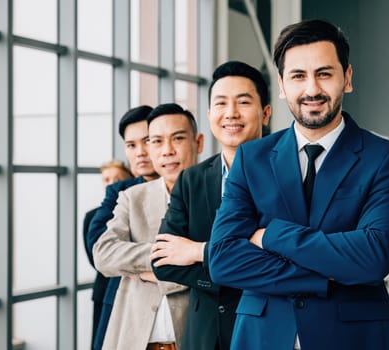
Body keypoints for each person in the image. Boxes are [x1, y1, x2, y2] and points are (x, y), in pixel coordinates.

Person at [208, 19, 389, 349]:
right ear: (281, 84)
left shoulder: (386, 159)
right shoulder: (251, 158)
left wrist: (270, 234)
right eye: (298, 76)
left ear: (346, 78)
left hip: (355, 337)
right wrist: (326, 273)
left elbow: (373, 257)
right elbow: (223, 260)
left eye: (324, 73)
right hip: (263, 336)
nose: (312, 89)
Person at [149, 61, 271, 350]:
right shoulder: (192, 179)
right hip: (203, 334)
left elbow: (282, 256)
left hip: (266, 327)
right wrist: (234, 270)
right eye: (221, 103)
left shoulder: (287, 172)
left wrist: (196, 252)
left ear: (265, 112)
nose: (231, 113)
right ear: (209, 114)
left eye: (243, 102)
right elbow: (162, 261)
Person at [93, 103, 204, 350]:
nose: (167, 151)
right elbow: (103, 254)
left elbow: (220, 267)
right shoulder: (132, 197)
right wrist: (172, 255)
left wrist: (139, 270)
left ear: (198, 142)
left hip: (192, 340)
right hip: (135, 340)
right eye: (156, 142)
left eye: (177, 139)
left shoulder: (218, 194)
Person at [85, 105, 159, 350]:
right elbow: (99, 245)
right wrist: (170, 259)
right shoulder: (120, 191)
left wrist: (128, 258)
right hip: (121, 301)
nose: (140, 152)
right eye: (131, 145)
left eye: (147, 141)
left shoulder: (189, 185)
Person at [82, 159, 132, 348]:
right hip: (104, 289)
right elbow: (95, 257)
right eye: (107, 179)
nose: (112, 183)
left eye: (117, 178)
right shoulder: (92, 216)